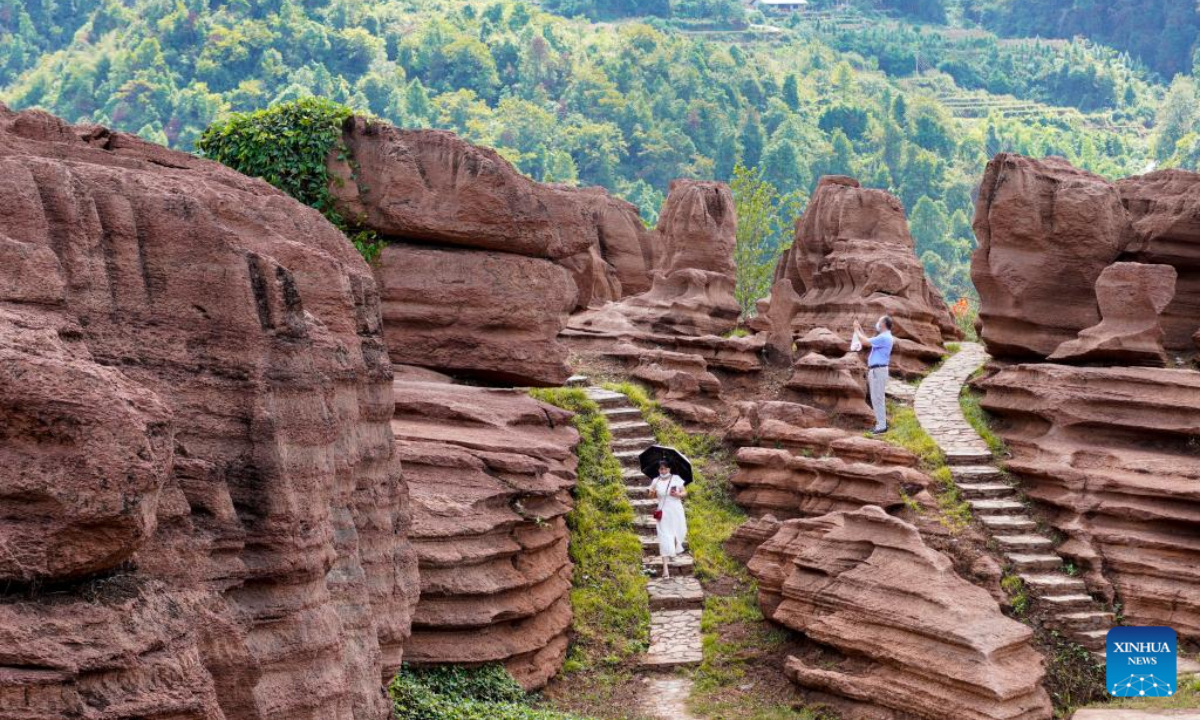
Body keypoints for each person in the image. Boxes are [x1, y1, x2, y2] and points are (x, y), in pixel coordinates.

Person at [853, 315, 894, 435]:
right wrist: (860, 329)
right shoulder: (884, 337)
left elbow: (865, 342)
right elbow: (868, 340)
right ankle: (880, 424)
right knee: (876, 398)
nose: (877, 323)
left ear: (883, 324)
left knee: (878, 398)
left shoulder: (884, 337)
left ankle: (881, 426)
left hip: (878, 370)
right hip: (877, 370)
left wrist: (856, 329)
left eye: (879, 321)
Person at [648, 460, 687, 579]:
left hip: (676, 510)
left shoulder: (676, 478)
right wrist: (652, 493)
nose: (663, 471)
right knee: (664, 537)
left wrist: (679, 495)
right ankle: (665, 569)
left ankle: (673, 549)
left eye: (665, 469)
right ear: (658, 470)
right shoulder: (656, 480)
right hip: (663, 511)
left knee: (677, 533)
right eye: (661, 469)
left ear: (669, 469)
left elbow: (685, 492)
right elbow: (650, 495)